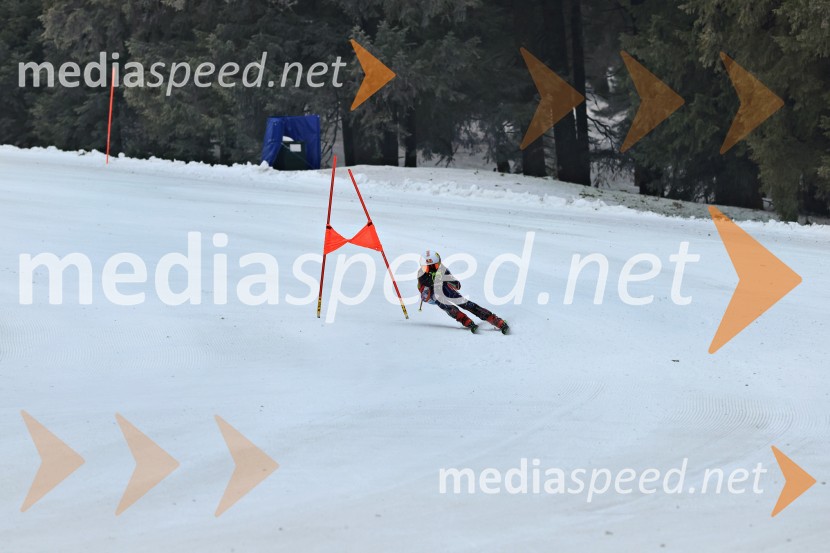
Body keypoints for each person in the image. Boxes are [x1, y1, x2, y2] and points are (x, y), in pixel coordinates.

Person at [417, 250, 510, 334]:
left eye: (435, 266)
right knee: (441, 300)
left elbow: (457, 285)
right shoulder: (421, 275)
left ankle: (493, 319)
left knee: (462, 301)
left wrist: (446, 279)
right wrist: (430, 283)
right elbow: (425, 297)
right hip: (430, 294)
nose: (432, 270)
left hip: (443, 287)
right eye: (428, 268)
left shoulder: (442, 269)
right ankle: (463, 319)